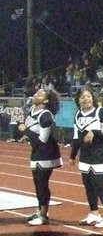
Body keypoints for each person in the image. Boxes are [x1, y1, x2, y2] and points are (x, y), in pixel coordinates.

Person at [69, 87, 103, 229]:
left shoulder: (101, 112)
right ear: (78, 100)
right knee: (88, 185)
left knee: (99, 185)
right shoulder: (78, 115)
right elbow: (76, 137)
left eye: (88, 96)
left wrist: (94, 132)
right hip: (86, 156)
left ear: (93, 98)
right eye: (82, 97)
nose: (86, 99)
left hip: (101, 155)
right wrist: (73, 155)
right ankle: (94, 213)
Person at [19, 88, 62, 226]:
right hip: (37, 151)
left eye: (39, 94)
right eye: (36, 93)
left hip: (47, 152)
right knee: (37, 183)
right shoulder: (32, 109)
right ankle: (41, 210)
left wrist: (25, 130)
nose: (35, 95)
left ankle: (44, 214)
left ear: (46, 100)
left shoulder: (46, 116)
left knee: (42, 183)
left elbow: (42, 140)